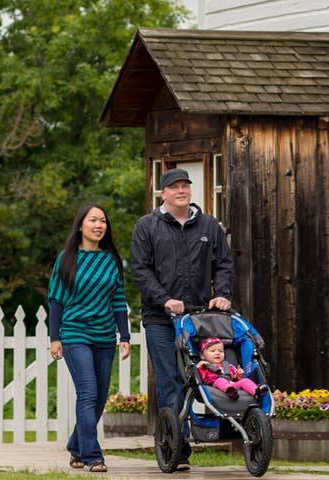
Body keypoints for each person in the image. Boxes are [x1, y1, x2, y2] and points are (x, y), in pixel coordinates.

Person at [130, 168, 234, 472]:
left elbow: (223, 265)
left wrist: (223, 293)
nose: (181, 191)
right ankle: (176, 448)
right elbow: (140, 270)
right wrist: (164, 299)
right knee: (170, 381)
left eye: (185, 186)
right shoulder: (146, 227)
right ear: (163, 194)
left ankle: (213, 430)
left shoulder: (209, 225)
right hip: (160, 319)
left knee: (203, 377)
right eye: (174, 187)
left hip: (201, 318)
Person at [46, 204, 131, 473]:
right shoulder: (66, 259)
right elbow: (56, 301)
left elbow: (118, 300)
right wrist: (54, 338)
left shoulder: (110, 260)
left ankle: (76, 445)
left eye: (103, 221)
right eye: (93, 220)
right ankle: (94, 456)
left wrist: (124, 335)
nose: (99, 225)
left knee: (101, 397)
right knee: (88, 393)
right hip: (74, 334)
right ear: (80, 225)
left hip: (105, 336)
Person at [193, 337, 263, 399]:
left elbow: (236, 378)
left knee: (245, 381)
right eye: (213, 351)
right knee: (220, 380)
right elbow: (198, 377)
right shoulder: (203, 367)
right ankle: (230, 391)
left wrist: (239, 374)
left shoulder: (229, 366)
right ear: (202, 355)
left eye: (221, 351)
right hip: (213, 389)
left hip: (232, 386)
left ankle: (256, 392)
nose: (217, 353)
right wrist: (198, 367)